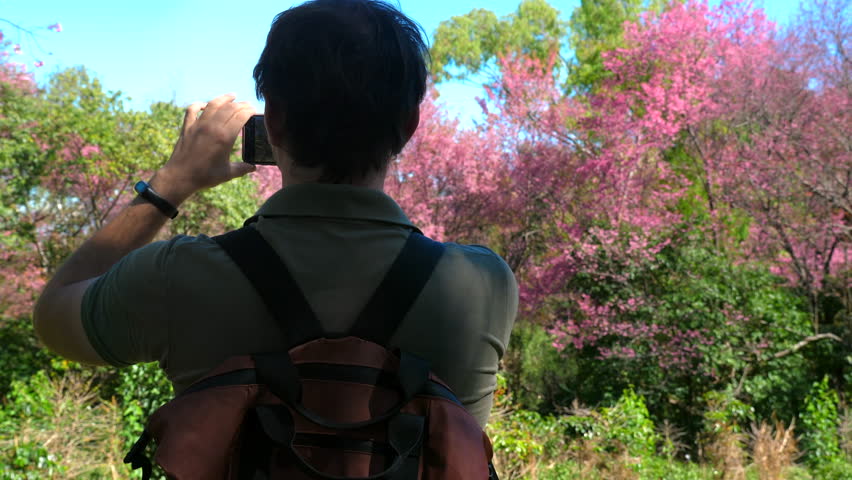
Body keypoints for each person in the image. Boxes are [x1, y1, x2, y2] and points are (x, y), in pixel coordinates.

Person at [33, 0, 518, 427]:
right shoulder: (483, 283)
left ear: (276, 123)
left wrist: (170, 186)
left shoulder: (176, 276)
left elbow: (53, 317)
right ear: (409, 126)